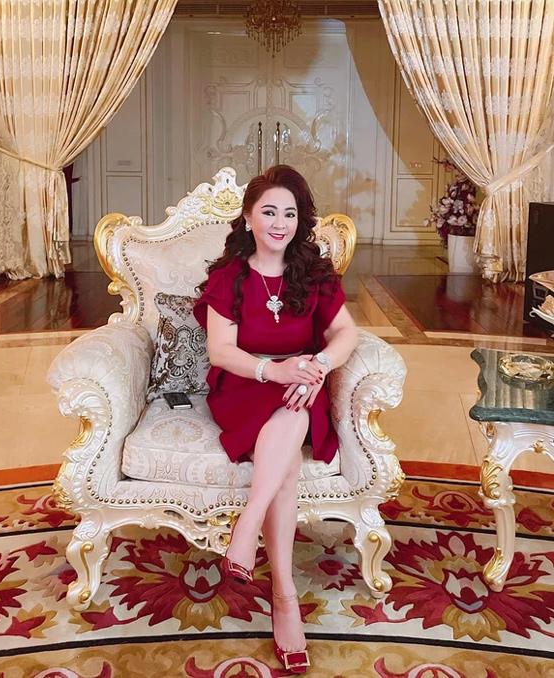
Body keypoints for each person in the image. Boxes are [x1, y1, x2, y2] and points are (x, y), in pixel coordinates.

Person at [193, 165, 358, 674]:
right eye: (269, 212)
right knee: (288, 433)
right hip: (245, 384)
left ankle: (252, 536)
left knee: (294, 411)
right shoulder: (229, 277)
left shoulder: (315, 274)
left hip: (299, 386)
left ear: (300, 220)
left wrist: (316, 368)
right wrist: (275, 370)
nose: (280, 223)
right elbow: (221, 352)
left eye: (290, 213)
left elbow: (347, 334)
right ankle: (284, 600)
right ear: (248, 217)